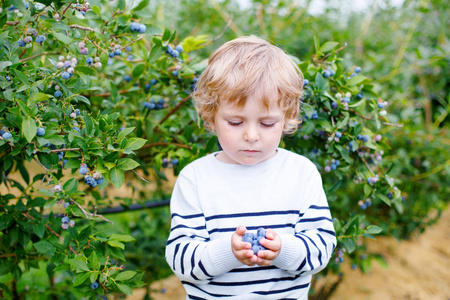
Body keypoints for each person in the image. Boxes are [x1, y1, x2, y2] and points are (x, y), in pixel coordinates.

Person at [165, 36, 336, 299]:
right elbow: (180, 259)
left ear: (287, 117)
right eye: (235, 122)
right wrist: (227, 253)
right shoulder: (196, 179)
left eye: (267, 123)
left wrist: (283, 250)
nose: (252, 135)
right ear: (211, 117)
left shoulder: (301, 174)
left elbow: (322, 248)